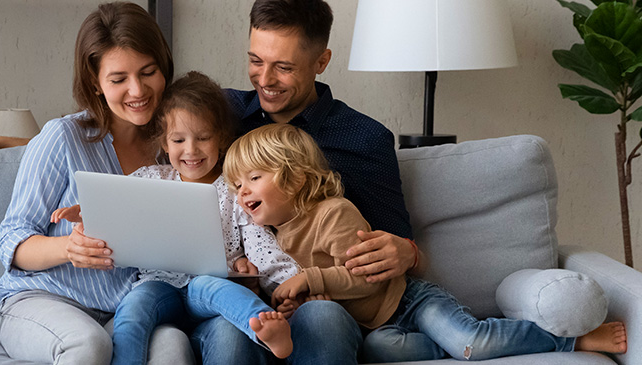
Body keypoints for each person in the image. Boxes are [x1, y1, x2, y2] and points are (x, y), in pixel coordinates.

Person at [0, 0, 420, 288]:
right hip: (232, 285)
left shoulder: (364, 138)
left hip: (325, 290)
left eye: (284, 67)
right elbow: (123, 126)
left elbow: (404, 241)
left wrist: (405, 252)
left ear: (322, 61)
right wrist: (7, 142)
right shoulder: (227, 112)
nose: (265, 80)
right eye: (255, 60)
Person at [224, 123, 630, 363]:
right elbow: (326, 297)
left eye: (254, 179)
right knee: (382, 351)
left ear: (295, 177)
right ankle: (454, 348)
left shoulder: (332, 212)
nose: (242, 193)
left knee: (470, 339)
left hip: (409, 300)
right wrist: (301, 299)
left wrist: (311, 280)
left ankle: (570, 339)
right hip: (375, 327)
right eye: (237, 185)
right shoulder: (277, 235)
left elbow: (366, 279)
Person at [50, 71, 301, 363]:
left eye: (203, 138)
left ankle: (264, 327)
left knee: (214, 287)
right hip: (158, 287)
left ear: (220, 138)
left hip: (206, 289)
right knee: (132, 308)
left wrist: (291, 286)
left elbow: (262, 247)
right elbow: (116, 209)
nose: (191, 150)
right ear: (165, 143)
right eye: (179, 140)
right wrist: (88, 213)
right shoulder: (150, 178)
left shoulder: (235, 191)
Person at [0, 3, 176, 364]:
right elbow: (12, 239)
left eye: (148, 72)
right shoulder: (62, 137)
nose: (137, 89)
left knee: (174, 348)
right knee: (88, 345)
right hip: (43, 300)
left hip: (126, 309)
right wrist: (68, 249)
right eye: (118, 79)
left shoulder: (177, 147)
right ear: (95, 82)